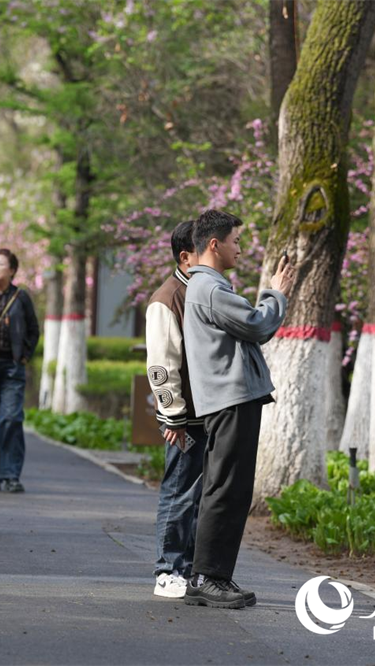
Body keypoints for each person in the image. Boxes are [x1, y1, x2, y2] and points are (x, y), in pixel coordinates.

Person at [182, 209, 292, 609]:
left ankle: (213, 575)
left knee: (229, 488)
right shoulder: (210, 288)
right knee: (226, 489)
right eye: (236, 241)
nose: (240, 249)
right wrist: (276, 293)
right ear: (215, 244)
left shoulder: (208, 286)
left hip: (230, 400)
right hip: (230, 400)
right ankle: (206, 577)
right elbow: (258, 325)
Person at [146, 221, 207, 599]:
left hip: (207, 414)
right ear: (186, 257)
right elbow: (161, 366)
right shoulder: (168, 299)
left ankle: (190, 569)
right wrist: (174, 417)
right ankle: (167, 570)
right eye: (206, 249)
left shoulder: (201, 292)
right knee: (180, 492)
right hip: (185, 419)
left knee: (197, 496)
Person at [0, 249, 39, 493]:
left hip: (12, 366)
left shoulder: (20, 297)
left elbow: (33, 330)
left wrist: (24, 355)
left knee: (10, 418)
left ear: (12, 270)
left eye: (1, 264)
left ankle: (10, 475)